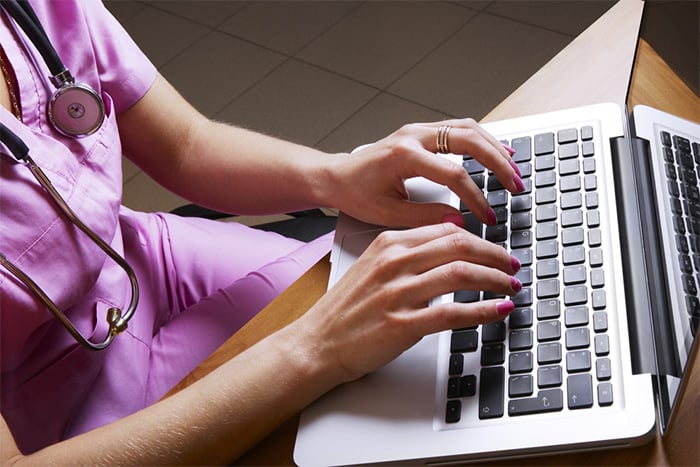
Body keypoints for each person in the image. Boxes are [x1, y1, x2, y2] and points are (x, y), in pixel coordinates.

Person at [0, 0, 524, 464]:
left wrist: (338, 176)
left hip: (145, 260)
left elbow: (185, 146)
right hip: (64, 418)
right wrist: (316, 348)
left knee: (413, 319)